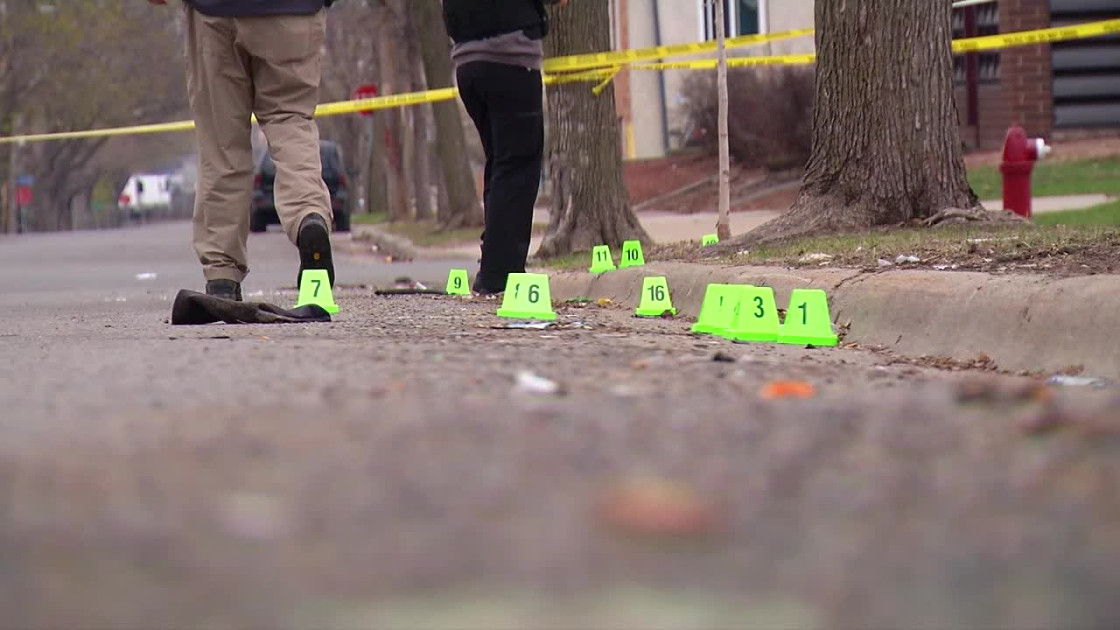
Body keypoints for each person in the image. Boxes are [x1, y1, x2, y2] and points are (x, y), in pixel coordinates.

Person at [148, 0, 337, 302]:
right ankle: (308, 218)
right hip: (295, 13)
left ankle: (222, 273)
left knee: (222, 140)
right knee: (290, 122)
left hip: (215, 12)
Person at [442, 0, 569, 295]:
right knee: (518, 166)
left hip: (467, 62)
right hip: (510, 56)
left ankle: (492, 268)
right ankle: (501, 275)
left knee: (501, 164)